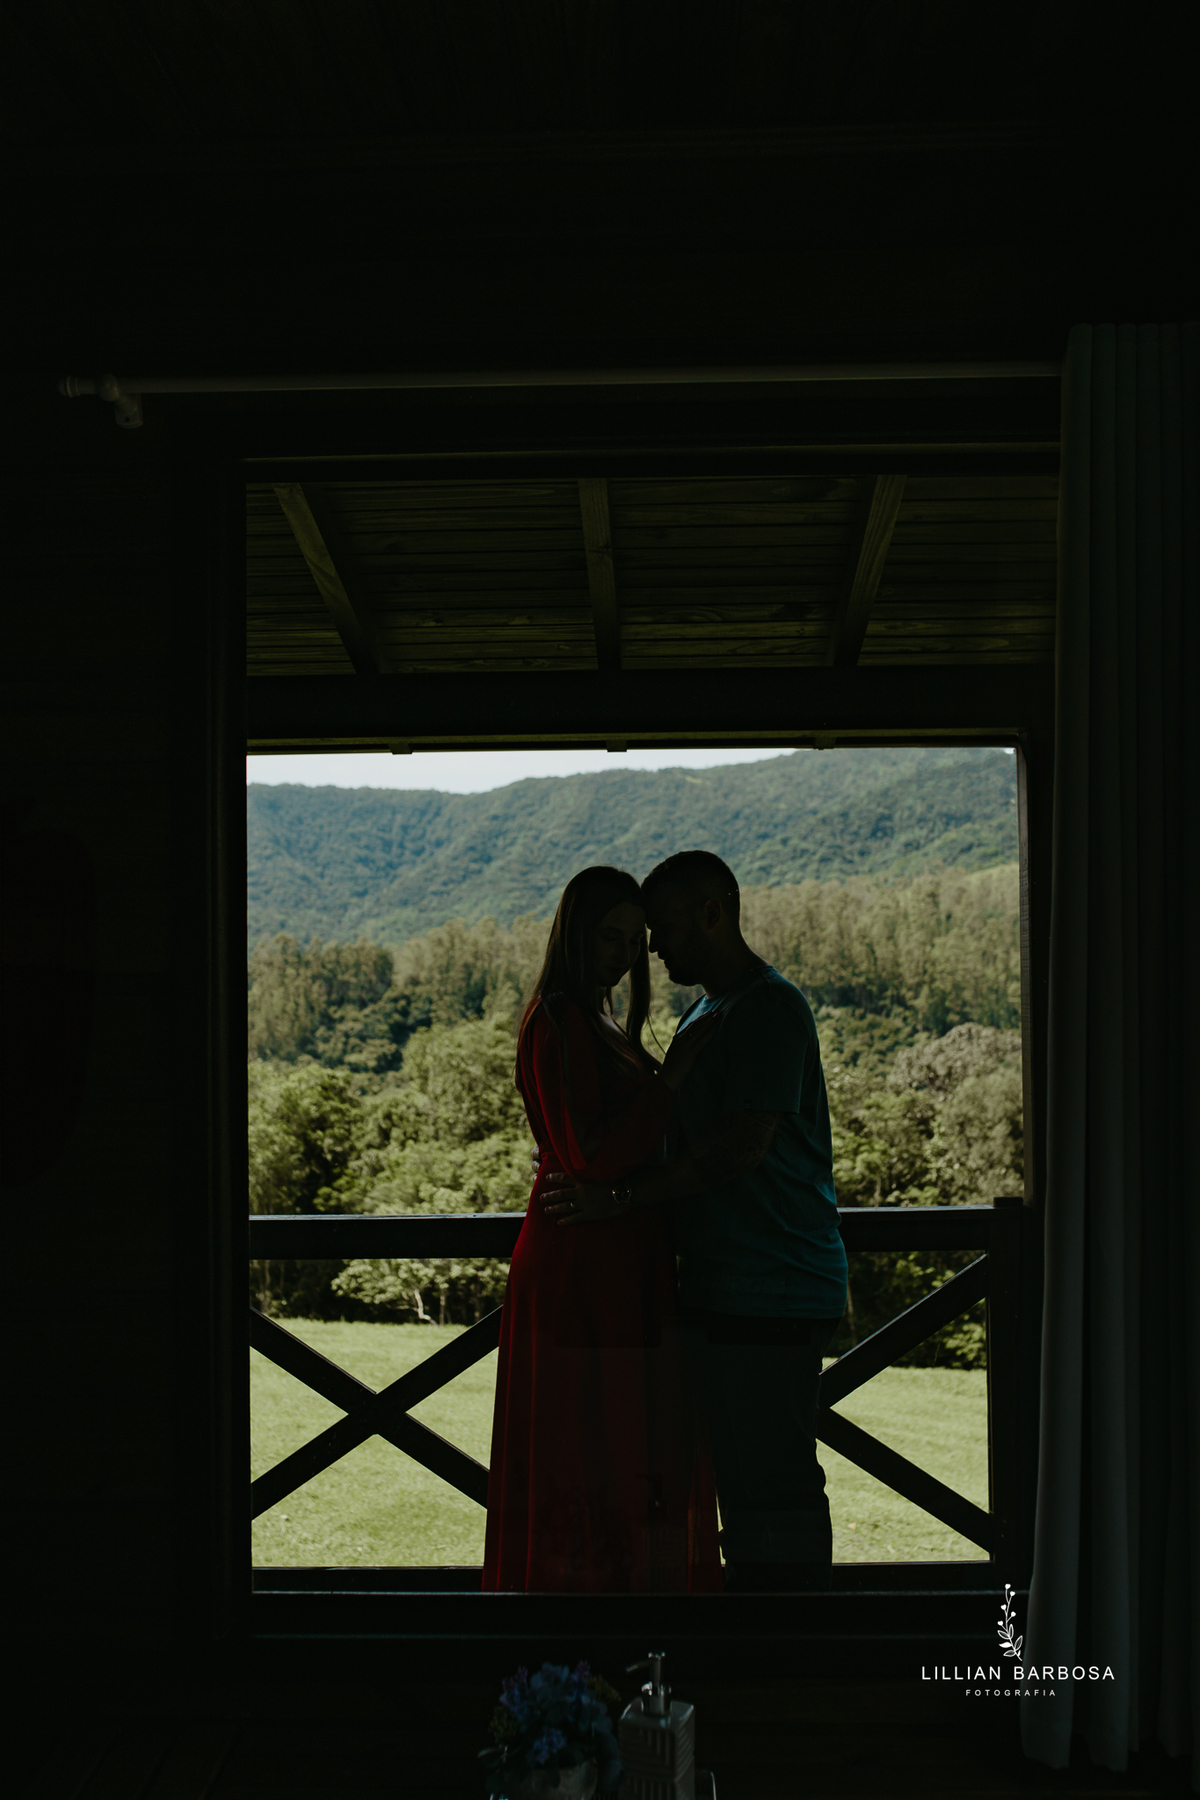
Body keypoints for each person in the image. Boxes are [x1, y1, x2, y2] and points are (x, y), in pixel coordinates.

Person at [546, 850, 847, 1592]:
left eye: (664, 928)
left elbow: (741, 1148)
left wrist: (618, 1201)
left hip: (770, 1285)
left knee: (772, 1485)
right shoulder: (707, 1012)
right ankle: (759, 1657)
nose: (652, 948)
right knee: (744, 1486)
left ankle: (794, 1663)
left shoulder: (771, 1008)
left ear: (713, 912)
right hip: (723, 1285)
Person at [481, 865, 721, 1594]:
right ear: (574, 934)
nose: (622, 953)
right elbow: (587, 1156)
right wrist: (671, 1082)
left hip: (622, 1255)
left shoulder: (599, 1019)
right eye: (608, 935)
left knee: (626, 1448)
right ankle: (575, 1640)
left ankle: (629, 1629)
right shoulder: (556, 1018)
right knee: (581, 1449)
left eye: (635, 940)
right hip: (580, 1261)